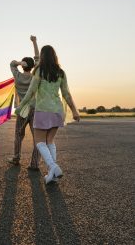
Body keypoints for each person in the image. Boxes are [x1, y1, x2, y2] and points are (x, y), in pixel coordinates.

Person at [15, 45, 80, 184]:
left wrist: (21, 106)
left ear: (43, 57)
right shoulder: (61, 72)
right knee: (50, 141)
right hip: (57, 111)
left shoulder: (39, 70)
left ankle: (53, 167)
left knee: (39, 142)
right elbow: (67, 94)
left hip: (43, 110)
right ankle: (53, 175)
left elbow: (31, 91)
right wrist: (74, 110)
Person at [7, 35, 40, 170]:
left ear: (24, 65)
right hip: (35, 108)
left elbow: (11, 63)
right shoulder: (35, 76)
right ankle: (34, 164)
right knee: (37, 137)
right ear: (33, 67)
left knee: (18, 135)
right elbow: (37, 58)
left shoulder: (18, 76)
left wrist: (20, 63)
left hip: (22, 109)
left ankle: (16, 157)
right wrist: (34, 42)